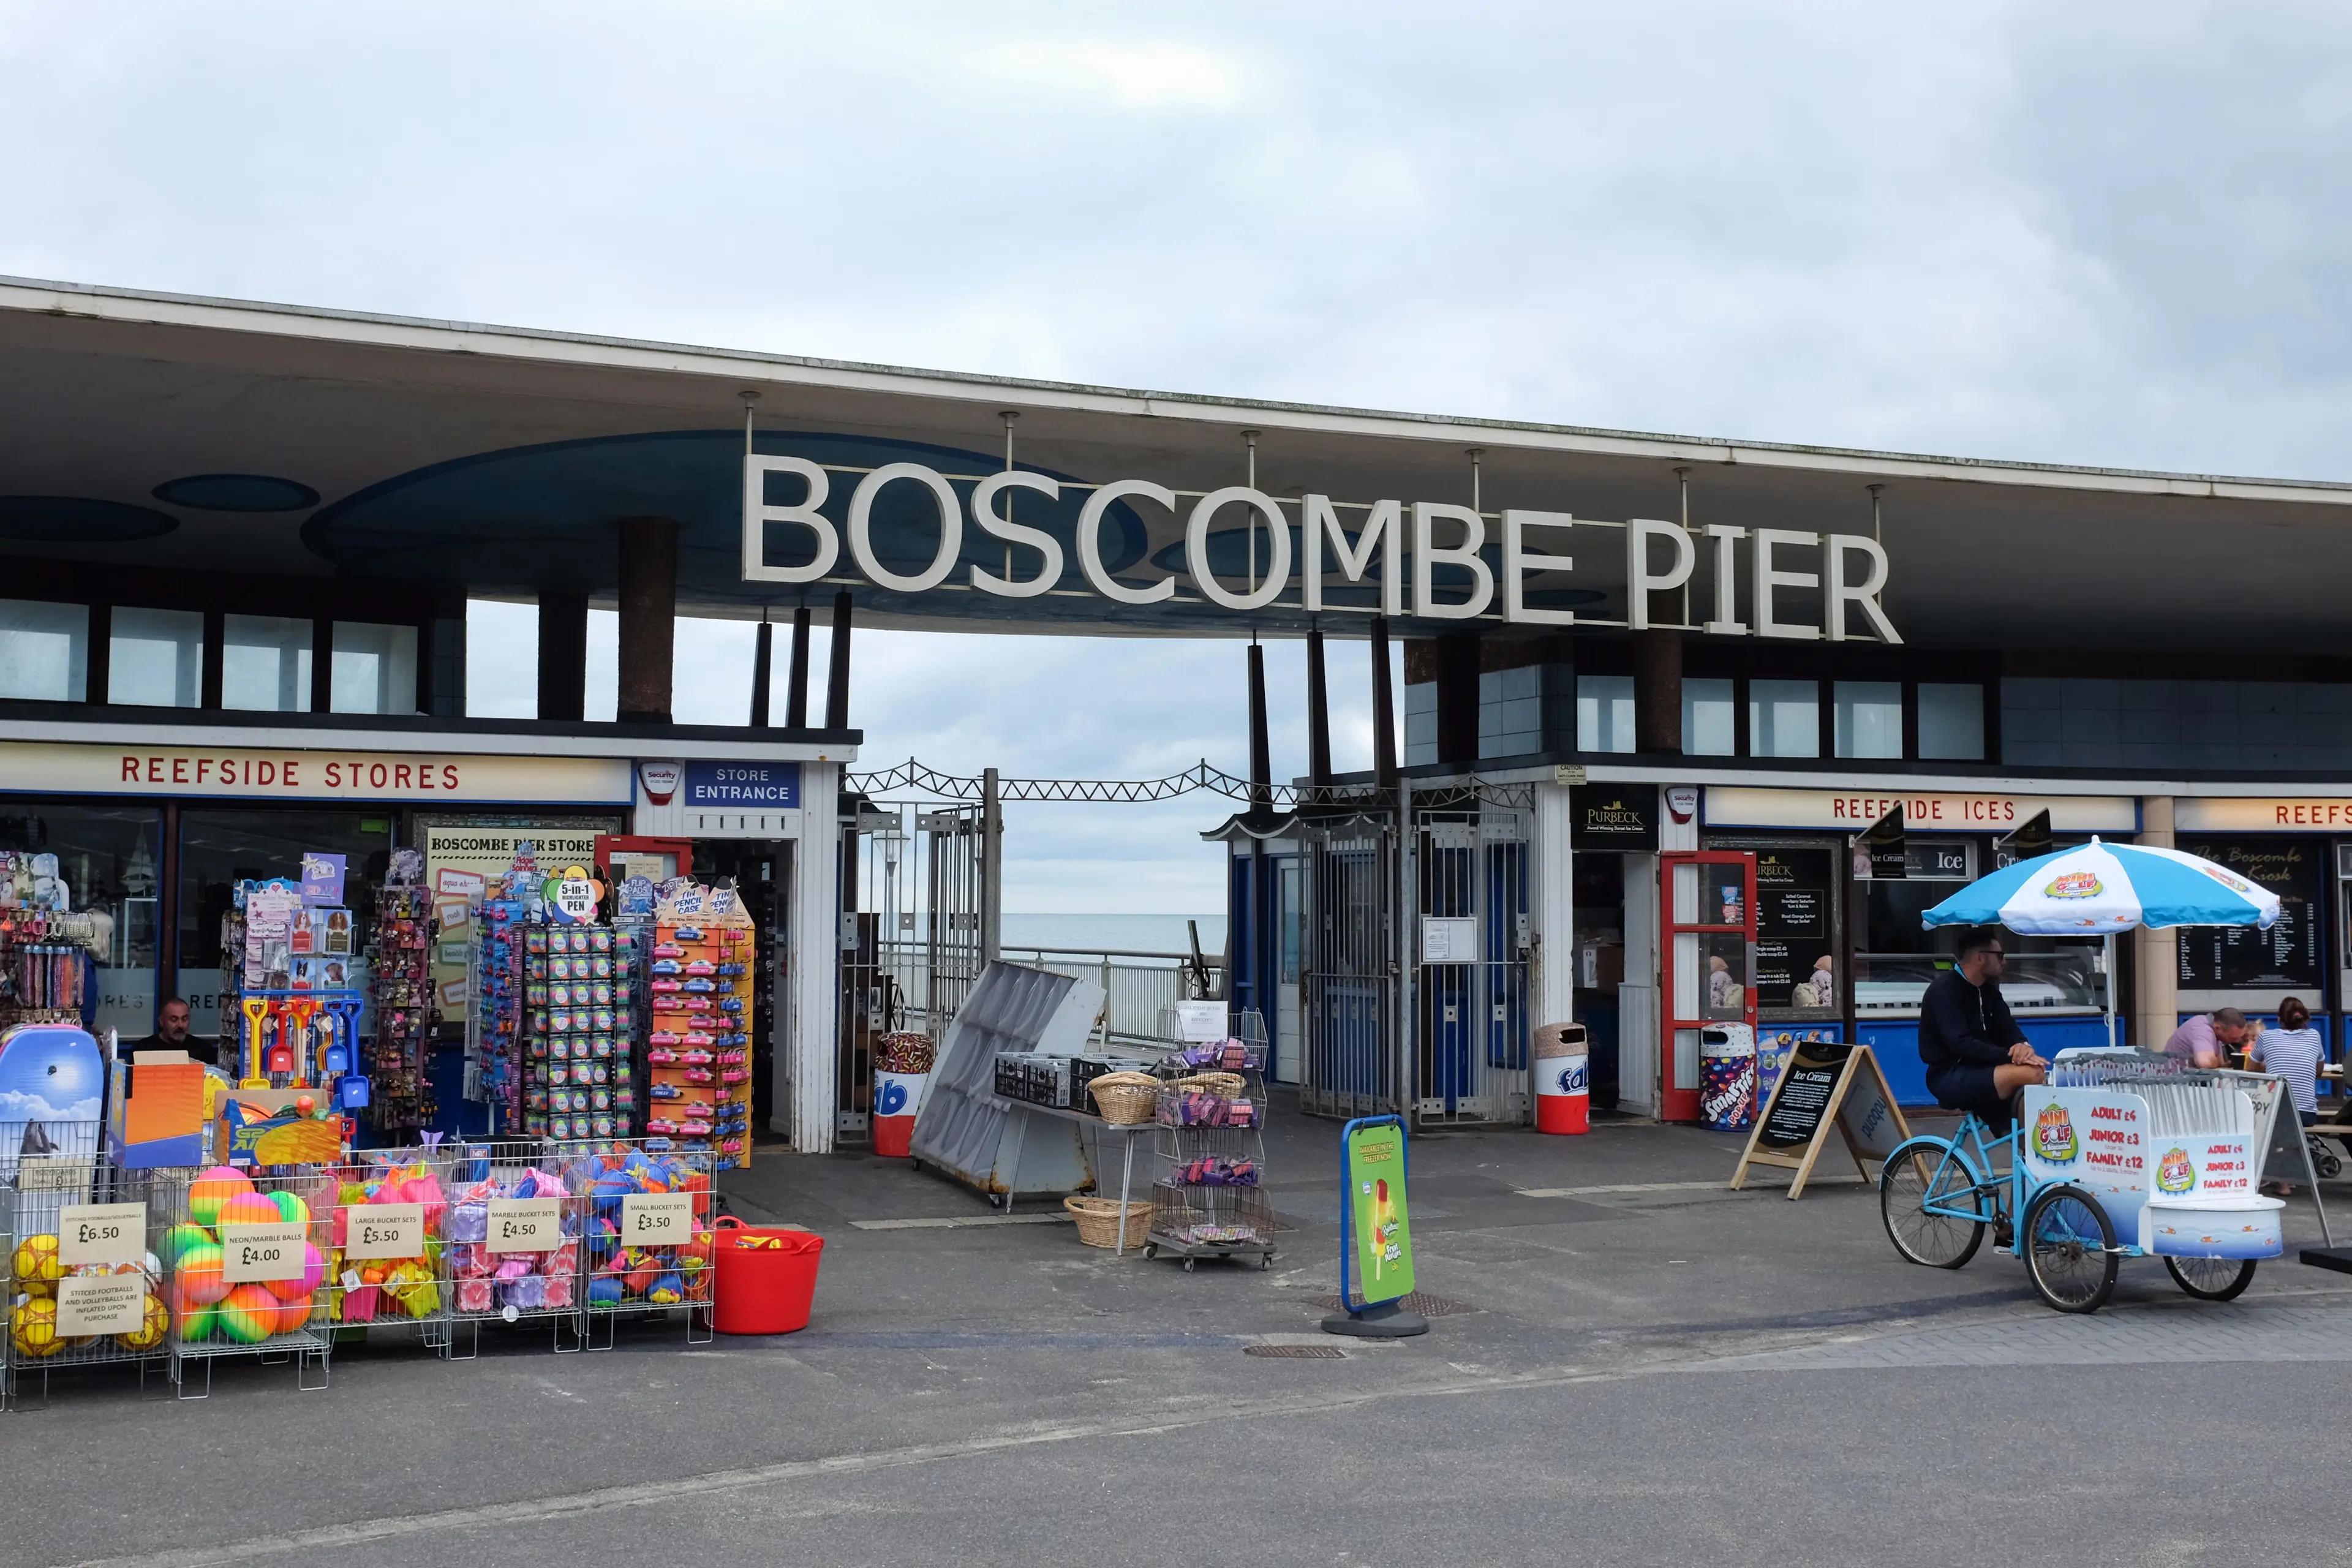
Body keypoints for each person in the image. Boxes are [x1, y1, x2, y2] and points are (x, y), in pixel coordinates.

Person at [1918, 929, 2048, 1137]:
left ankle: (2028, 1153)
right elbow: (1960, 1043)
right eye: (2000, 956)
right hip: (1949, 1075)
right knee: (2033, 1074)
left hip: (1982, 1069)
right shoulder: (1944, 991)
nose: (2004, 962)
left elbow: (2007, 1027)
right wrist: (2009, 1056)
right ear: (1980, 958)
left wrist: (2022, 1045)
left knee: (2037, 1085)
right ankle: (2030, 1151)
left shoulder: (1988, 990)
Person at [2251, 998, 2325, 1196]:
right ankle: (2290, 1178)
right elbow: (2319, 1071)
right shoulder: (2314, 1036)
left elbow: (2251, 1068)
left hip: (2276, 1111)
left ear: (2279, 1020)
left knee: (2271, 1121)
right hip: (2306, 1112)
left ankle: (2283, 1183)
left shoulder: (2267, 1037)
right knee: (2289, 1125)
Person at [126, 995, 213, 1065]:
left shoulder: (203, 1050)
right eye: (174, 1020)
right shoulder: (142, 1050)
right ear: (162, 1022)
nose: (180, 1025)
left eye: (185, 1019)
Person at [2162, 1006, 2252, 1070]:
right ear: (2218, 1028)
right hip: (2174, 1085)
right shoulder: (2202, 1029)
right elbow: (2205, 1062)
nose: (2237, 1041)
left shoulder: (2212, 1029)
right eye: (2233, 1038)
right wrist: (2219, 1063)